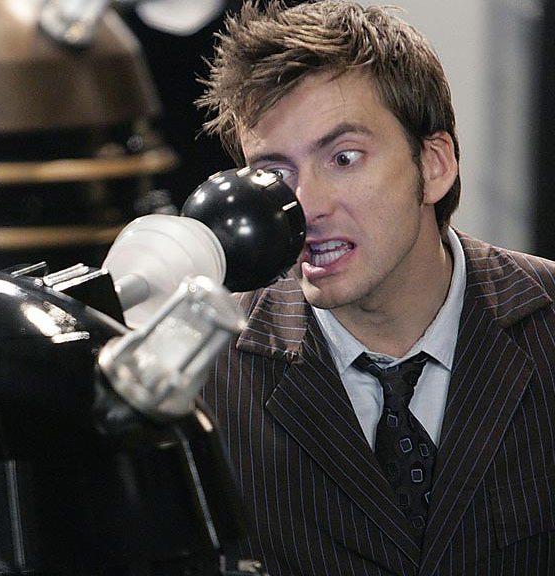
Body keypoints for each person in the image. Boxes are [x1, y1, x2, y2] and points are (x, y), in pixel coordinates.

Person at [197, 1, 555, 574]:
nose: (306, 207)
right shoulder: (206, 377)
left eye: (344, 158)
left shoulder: (547, 324)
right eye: (274, 175)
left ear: (434, 165)